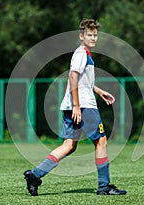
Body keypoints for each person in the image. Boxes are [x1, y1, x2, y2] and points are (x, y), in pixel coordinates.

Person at [23, 18, 127, 196]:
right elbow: (72, 77)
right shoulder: (81, 54)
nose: (93, 38)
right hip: (84, 106)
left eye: (95, 35)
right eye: (89, 35)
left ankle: (35, 175)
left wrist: (99, 91)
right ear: (81, 36)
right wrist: (77, 107)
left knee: (69, 145)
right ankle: (104, 186)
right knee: (101, 141)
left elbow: (81, 81)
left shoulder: (85, 54)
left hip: (74, 104)